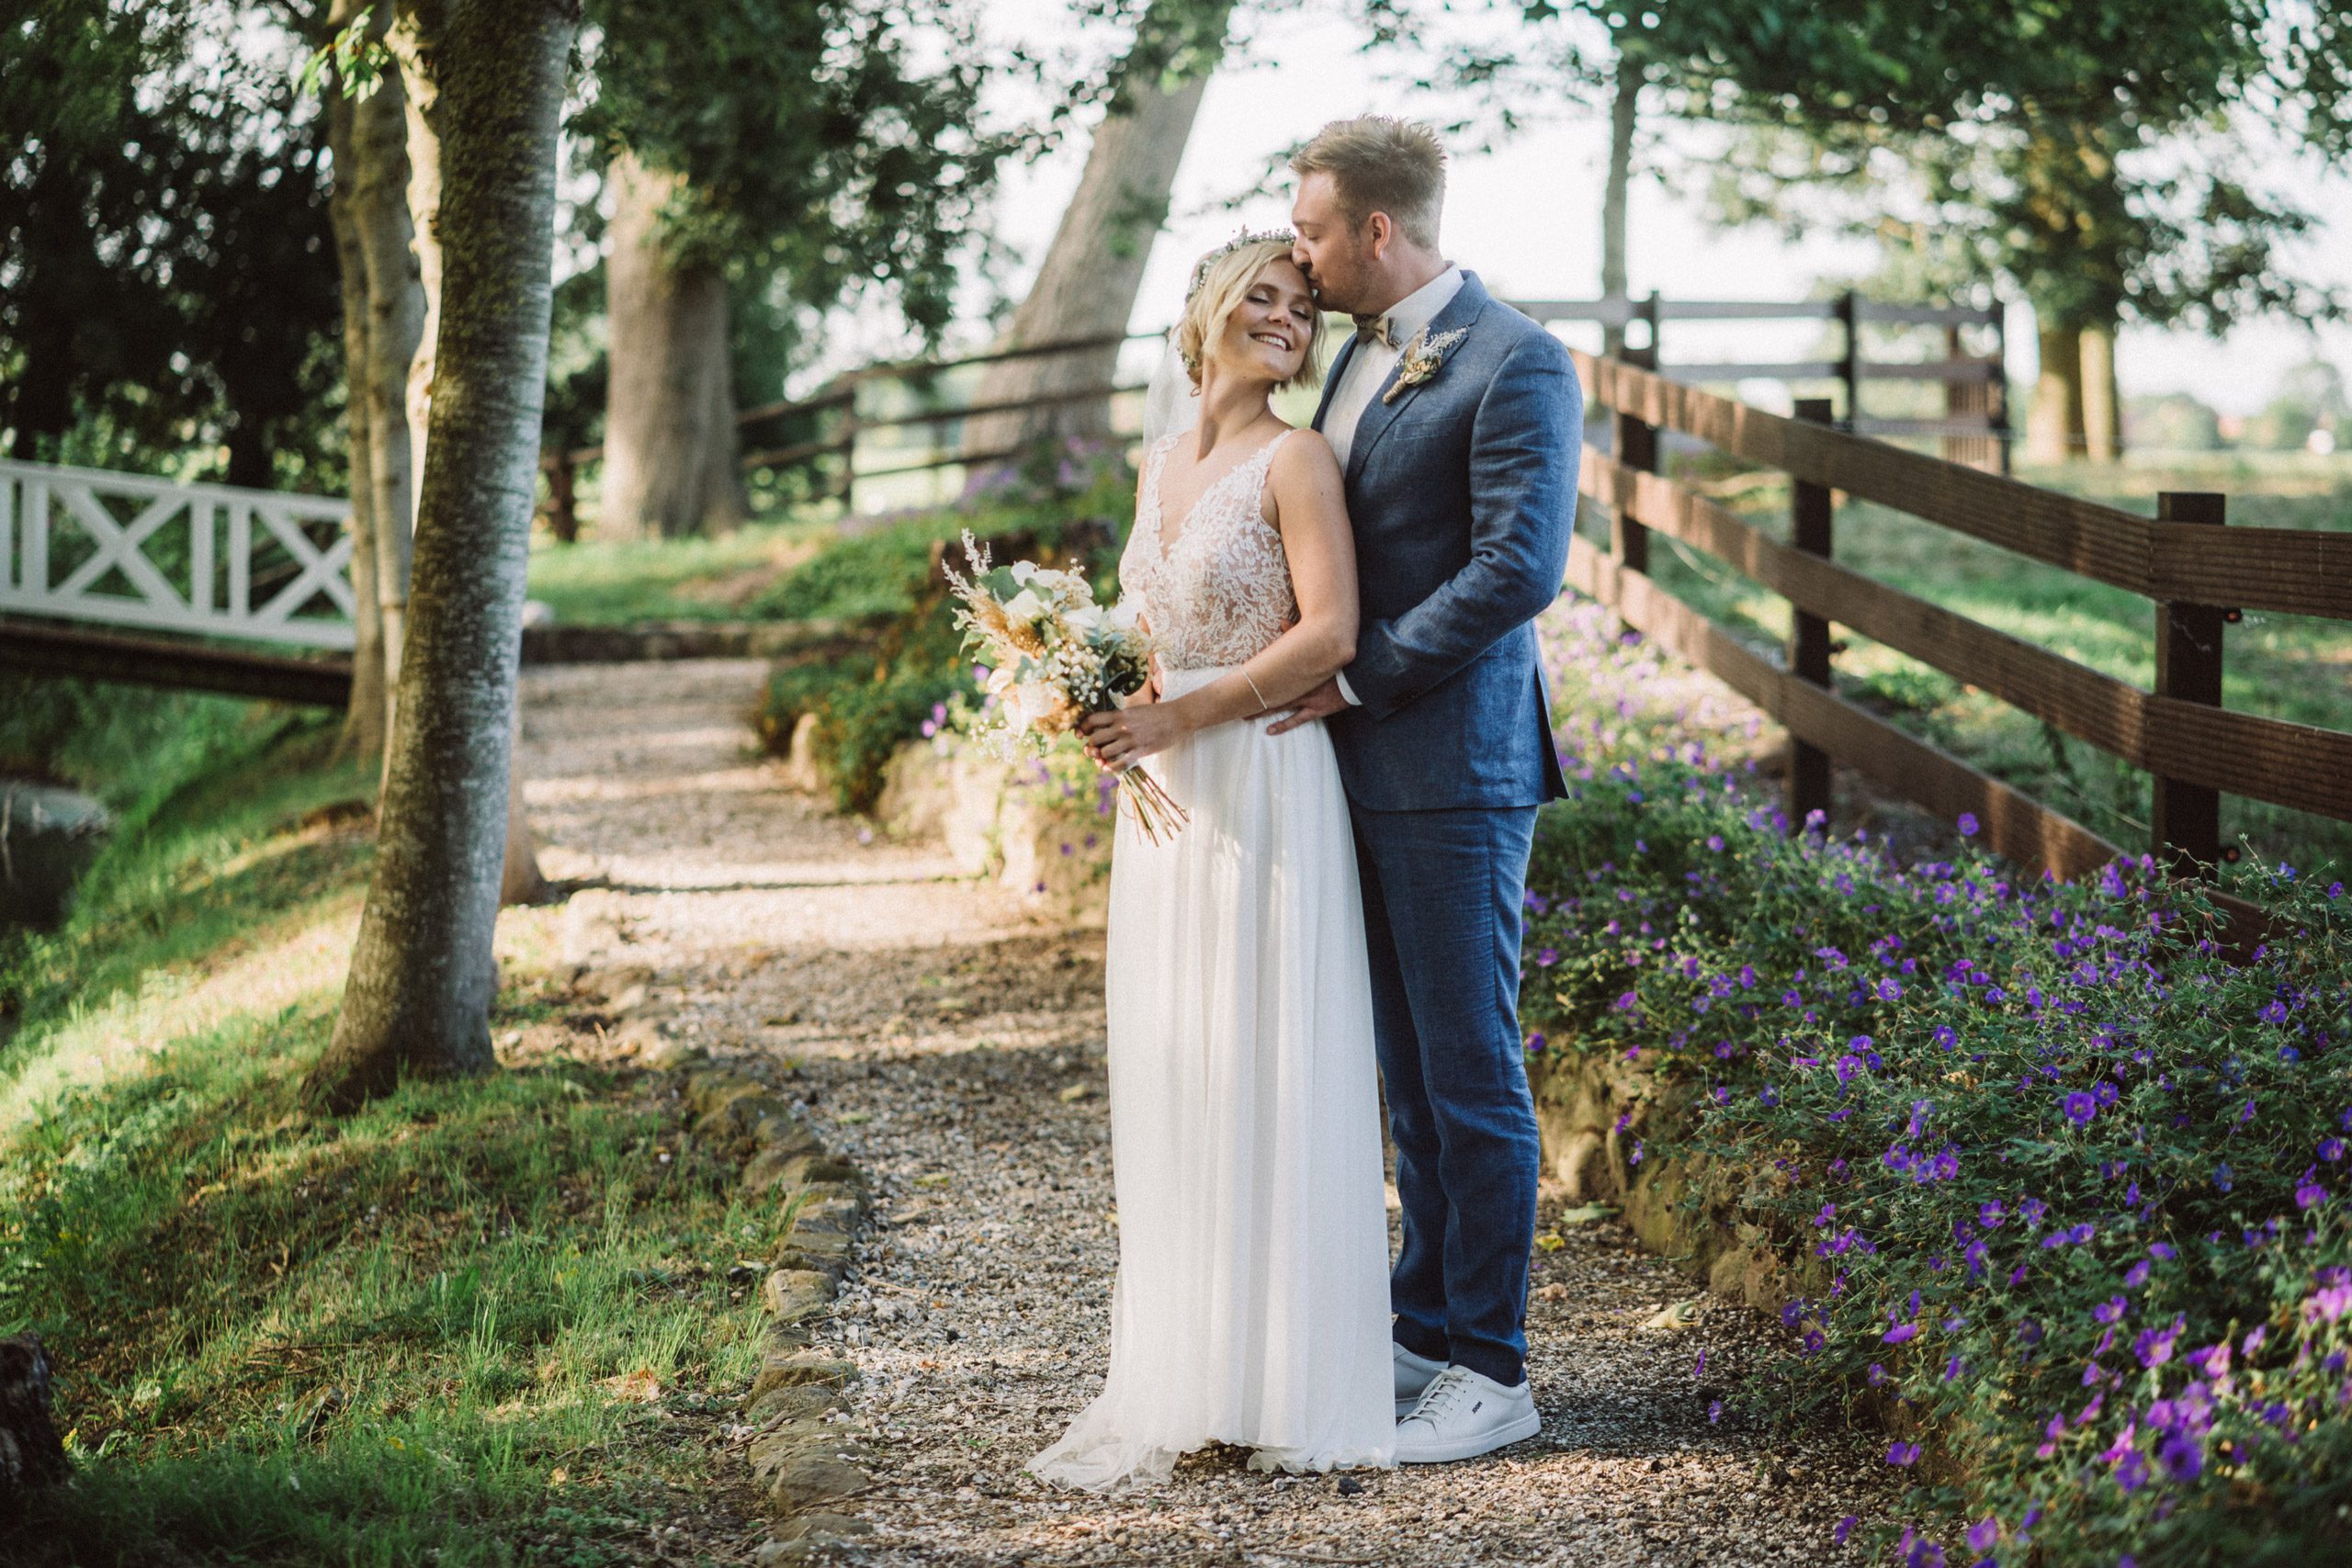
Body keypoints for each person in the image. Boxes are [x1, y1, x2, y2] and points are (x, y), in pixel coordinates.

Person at [1028, 232, 1397, 1492]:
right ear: (1208, 313)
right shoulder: (1158, 464)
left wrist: (1181, 715)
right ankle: (1193, 1371)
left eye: (1301, 307)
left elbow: (1332, 633)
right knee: (1180, 1056)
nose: (1286, 318)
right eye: (1264, 297)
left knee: (1269, 1058)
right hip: (1169, 799)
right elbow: (1147, 636)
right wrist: (1102, 702)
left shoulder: (1298, 459)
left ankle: (1287, 1376)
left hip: (1265, 777)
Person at [1269, 116, 1579, 1464]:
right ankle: (1426, 1324)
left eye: (1312, 231)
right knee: (1407, 1078)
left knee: (1470, 1073)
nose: (1299, 254)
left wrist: (1358, 676)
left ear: (1377, 229)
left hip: (1455, 767)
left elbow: (1518, 569)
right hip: (1358, 764)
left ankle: (1495, 1370)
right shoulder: (1352, 352)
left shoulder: (1516, 362)